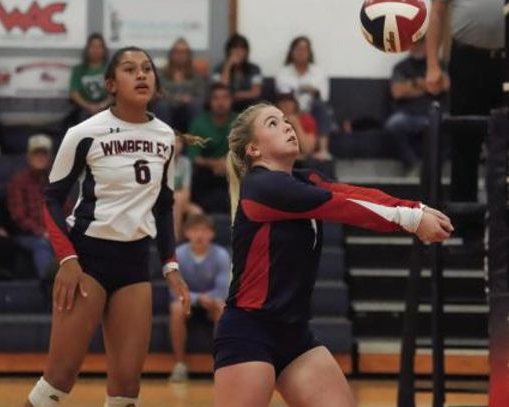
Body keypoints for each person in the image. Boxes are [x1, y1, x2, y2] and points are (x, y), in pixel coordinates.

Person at [214, 103, 454, 407]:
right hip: (249, 332)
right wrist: (411, 221)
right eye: (273, 123)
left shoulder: (305, 179)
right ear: (253, 149)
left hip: (295, 335)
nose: (288, 126)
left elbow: (353, 194)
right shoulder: (261, 187)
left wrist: (413, 208)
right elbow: (339, 206)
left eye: (287, 120)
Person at [22, 47, 192, 407]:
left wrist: (171, 265)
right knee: (59, 380)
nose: (142, 75)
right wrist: (67, 259)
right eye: (130, 69)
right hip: (87, 260)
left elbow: (163, 206)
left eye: (147, 69)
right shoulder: (84, 132)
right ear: (111, 84)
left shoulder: (165, 137)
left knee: (127, 387)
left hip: (134, 262)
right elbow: (50, 199)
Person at [426, 0, 504, 203]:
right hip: (467, 60)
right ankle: (465, 223)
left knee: (504, 143)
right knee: (464, 141)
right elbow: (437, 12)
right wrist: (433, 65)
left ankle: (502, 220)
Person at [168, 214, 230, 382]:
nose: (200, 235)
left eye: (204, 230)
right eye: (195, 230)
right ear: (187, 233)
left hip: (212, 302)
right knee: (175, 308)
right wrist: (197, 299)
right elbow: (175, 291)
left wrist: (208, 299)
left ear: (212, 234)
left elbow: (223, 290)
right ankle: (180, 364)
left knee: (222, 308)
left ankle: (221, 364)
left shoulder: (221, 255)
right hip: (187, 302)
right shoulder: (178, 255)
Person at [386, 40, 449, 174]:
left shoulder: (437, 65)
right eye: (414, 43)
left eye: (421, 43)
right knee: (393, 124)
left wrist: (412, 85)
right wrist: (426, 85)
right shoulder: (400, 67)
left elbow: (442, 86)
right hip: (409, 114)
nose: (417, 47)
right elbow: (398, 92)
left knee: (448, 123)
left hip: (435, 113)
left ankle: (436, 169)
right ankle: (413, 163)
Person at [275, 36, 333, 160]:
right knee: (284, 105)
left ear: (309, 52)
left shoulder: (319, 72)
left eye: (304, 49)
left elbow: (324, 96)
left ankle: (323, 150)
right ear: (291, 52)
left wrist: (300, 90)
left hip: (311, 108)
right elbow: (283, 94)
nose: (301, 52)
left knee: (322, 106)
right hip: (290, 108)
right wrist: (305, 89)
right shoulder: (283, 72)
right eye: (297, 49)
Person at [7, 134, 56, 281]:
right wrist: (42, 232)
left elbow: (66, 209)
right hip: (28, 234)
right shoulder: (18, 181)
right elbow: (18, 216)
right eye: (36, 154)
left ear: (50, 157)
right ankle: (49, 283)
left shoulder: (56, 181)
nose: (40, 157)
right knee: (42, 245)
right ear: (28, 157)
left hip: (55, 232)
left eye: (44, 154)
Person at [187, 83, 237, 213]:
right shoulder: (199, 123)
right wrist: (213, 163)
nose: (221, 102)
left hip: (233, 171)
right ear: (209, 102)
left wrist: (227, 162)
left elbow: (247, 151)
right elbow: (193, 156)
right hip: (207, 174)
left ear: (231, 100)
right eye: (216, 98)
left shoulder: (241, 122)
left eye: (225, 97)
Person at [153, 38, 206, 132]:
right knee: (162, 105)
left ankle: (193, 140)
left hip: (189, 109)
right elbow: (158, 92)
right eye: (177, 52)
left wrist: (190, 99)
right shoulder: (162, 74)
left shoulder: (196, 76)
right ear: (171, 54)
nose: (181, 55)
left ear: (189, 55)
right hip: (167, 109)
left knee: (196, 104)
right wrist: (175, 98)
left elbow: (202, 94)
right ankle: (165, 139)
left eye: (184, 52)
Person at [67, 33, 111, 125]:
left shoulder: (111, 69)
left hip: (107, 107)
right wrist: (89, 107)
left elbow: (116, 93)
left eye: (99, 47)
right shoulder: (78, 70)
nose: (96, 50)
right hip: (85, 108)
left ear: (104, 50)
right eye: (93, 46)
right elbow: (74, 93)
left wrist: (101, 106)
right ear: (87, 49)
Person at [212, 34, 262, 112]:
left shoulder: (255, 69)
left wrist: (235, 95)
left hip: (248, 104)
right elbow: (221, 89)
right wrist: (228, 66)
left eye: (242, 49)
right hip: (227, 104)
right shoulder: (217, 69)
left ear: (246, 52)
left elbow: (256, 92)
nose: (238, 52)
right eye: (235, 48)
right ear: (228, 50)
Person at [173, 132, 202, 240]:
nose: (177, 145)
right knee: (176, 198)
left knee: (197, 212)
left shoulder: (185, 162)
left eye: (179, 142)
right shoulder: (160, 162)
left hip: (180, 200)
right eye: (173, 142)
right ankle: (175, 238)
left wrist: (180, 201)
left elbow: (186, 190)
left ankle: (189, 242)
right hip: (162, 202)